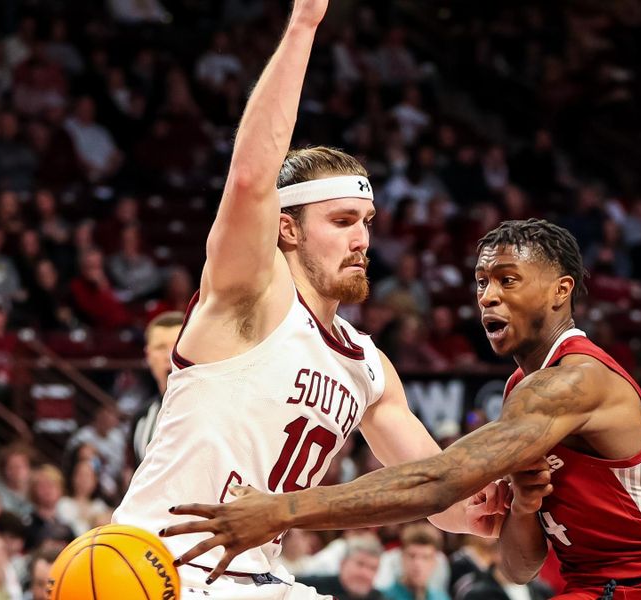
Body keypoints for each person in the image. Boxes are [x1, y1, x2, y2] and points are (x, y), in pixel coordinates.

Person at [114, 2, 500, 598]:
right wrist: (303, 27)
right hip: (164, 566)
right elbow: (249, 179)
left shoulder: (368, 365)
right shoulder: (251, 295)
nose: (362, 238)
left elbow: (442, 501)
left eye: (367, 221)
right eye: (343, 220)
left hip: (260, 576)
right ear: (287, 229)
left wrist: (494, 500)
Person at [165, 219, 641, 599]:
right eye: (480, 282)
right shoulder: (524, 385)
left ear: (561, 291)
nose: (487, 296)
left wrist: (283, 511)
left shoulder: (576, 382)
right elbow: (519, 567)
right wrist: (523, 503)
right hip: (593, 589)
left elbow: (439, 482)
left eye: (508, 280)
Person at [128, 311, 184, 467]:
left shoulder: (215, 407)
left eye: (178, 345)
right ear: (148, 355)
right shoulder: (142, 417)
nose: (169, 355)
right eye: (160, 348)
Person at [299, 535, 386, 600]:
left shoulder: (381, 598)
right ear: (343, 563)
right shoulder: (308, 587)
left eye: (373, 568)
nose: (365, 573)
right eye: (360, 564)